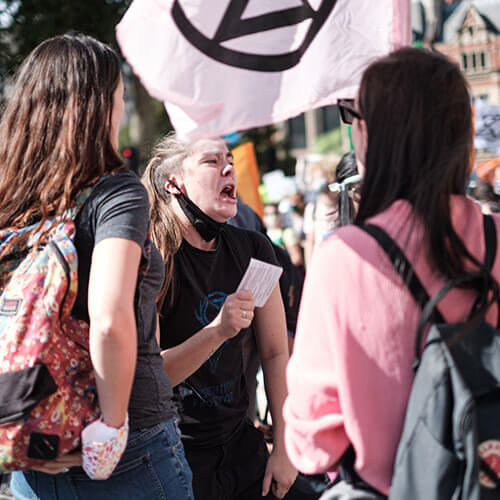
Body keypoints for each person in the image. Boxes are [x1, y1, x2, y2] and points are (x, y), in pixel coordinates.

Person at [283, 47, 500, 497]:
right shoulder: (496, 235)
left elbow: (312, 443)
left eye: (355, 117)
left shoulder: (344, 256)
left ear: (375, 135)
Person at [1, 34, 193, 500]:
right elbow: (109, 318)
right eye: (120, 96)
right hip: (126, 447)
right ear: (99, 106)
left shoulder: (10, 197)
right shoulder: (116, 193)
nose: (122, 109)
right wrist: (110, 427)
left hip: (30, 441)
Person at [143, 134, 298, 499]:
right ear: (175, 183)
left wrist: (285, 447)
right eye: (211, 162)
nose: (229, 168)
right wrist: (217, 331)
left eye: (229, 159)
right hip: (176, 459)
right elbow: (152, 377)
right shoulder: (152, 258)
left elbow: (276, 352)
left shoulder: (255, 250)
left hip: (242, 451)